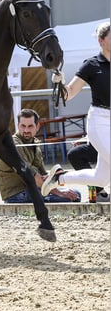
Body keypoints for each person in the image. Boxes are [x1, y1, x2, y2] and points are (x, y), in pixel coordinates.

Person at [43, 22, 110, 198]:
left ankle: (59, 178)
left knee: (101, 179)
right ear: (101, 41)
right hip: (100, 121)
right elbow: (69, 93)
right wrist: (59, 83)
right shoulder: (92, 65)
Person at [0, 108, 81, 203]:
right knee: (66, 198)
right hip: (16, 195)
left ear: (37, 127)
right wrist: (59, 193)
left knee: (76, 193)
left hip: (32, 190)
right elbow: (31, 175)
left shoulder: (34, 143)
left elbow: (43, 174)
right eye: (23, 126)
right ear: (18, 126)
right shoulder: (13, 144)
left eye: (30, 126)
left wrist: (54, 177)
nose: (26, 130)